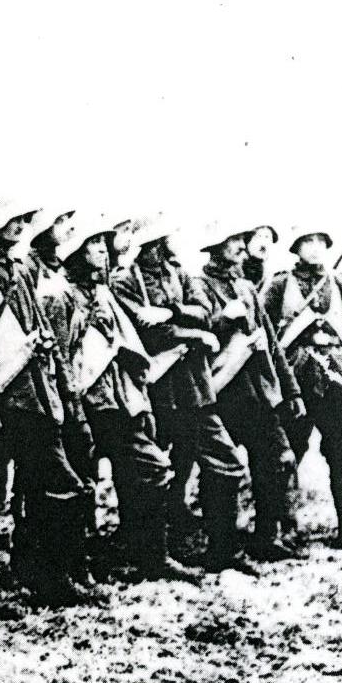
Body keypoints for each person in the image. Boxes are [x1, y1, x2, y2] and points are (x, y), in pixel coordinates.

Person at [0, 200, 91, 611]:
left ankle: (46, 576)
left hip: (32, 401)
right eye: (14, 219)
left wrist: (63, 392)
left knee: (58, 485)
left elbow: (39, 331)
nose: (21, 226)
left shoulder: (19, 271)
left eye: (24, 220)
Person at [46, 220, 199, 586]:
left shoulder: (104, 293)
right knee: (80, 487)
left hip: (119, 403)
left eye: (102, 242)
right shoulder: (60, 297)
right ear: (76, 255)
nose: (102, 249)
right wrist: (73, 407)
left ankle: (150, 557)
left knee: (151, 470)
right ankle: (79, 567)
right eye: (93, 243)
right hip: (85, 402)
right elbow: (61, 359)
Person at [111, 225, 262, 561]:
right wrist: (191, 334)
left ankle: (222, 552)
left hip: (193, 389)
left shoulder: (179, 273)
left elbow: (205, 315)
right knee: (148, 473)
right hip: (154, 388)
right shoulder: (124, 281)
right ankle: (146, 553)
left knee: (225, 462)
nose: (167, 243)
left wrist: (174, 313)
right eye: (161, 237)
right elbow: (148, 331)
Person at [192, 227, 305, 571]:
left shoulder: (245, 287)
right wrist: (224, 321)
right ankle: (222, 550)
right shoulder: (198, 286)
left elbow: (271, 343)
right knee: (220, 472)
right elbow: (199, 335)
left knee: (277, 459)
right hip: (221, 393)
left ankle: (266, 538)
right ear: (215, 247)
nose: (241, 247)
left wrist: (292, 392)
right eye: (233, 241)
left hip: (258, 395)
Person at [262, 229, 342, 547]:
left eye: (320, 242)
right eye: (307, 242)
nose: (315, 248)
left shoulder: (341, 284)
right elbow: (266, 336)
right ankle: (285, 528)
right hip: (294, 381)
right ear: (296, 248)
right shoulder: (280, 283)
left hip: (336, 380)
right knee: (287, 453)